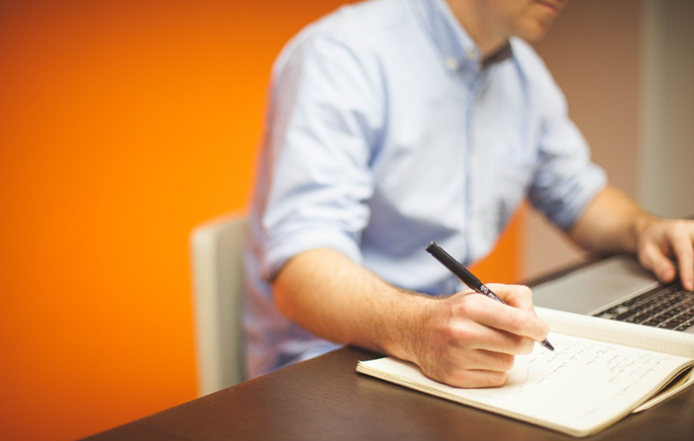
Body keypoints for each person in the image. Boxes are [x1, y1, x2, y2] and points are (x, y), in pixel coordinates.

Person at [243, 0, 694, 386]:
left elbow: (576, 194)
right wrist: (419, 328)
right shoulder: (342, 55)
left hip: (439, 344)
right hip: (326, 366)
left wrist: (644, 229)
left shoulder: (523, 75)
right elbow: (301, 274)